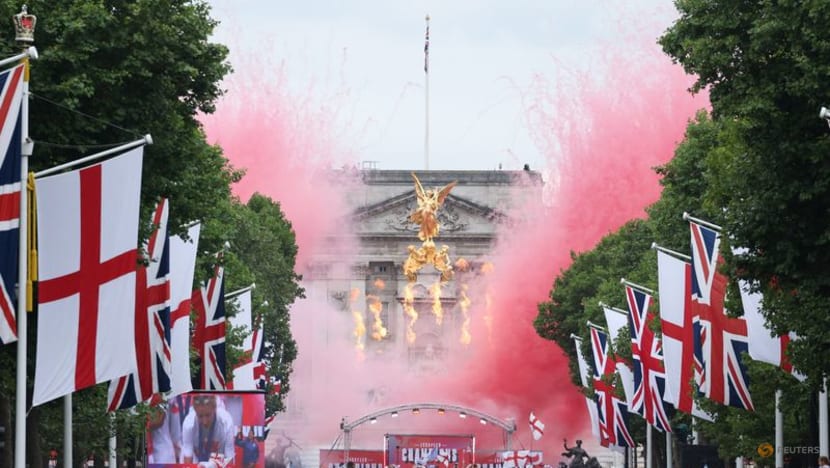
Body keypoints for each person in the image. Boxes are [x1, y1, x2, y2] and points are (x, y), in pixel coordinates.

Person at [181, 394, 236, 465]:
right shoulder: (189, 423)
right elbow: (188, 456)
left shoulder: (226, 422)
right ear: (195, 411)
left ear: (215, 408)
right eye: (200, 416)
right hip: (196, 462)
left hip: (218, 464)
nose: (205, 422)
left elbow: (229, 456)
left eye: (208, 415)